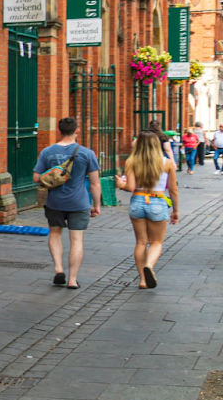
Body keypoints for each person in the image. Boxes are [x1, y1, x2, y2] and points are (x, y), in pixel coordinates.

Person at [32, 117, 102, 289]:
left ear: (59, 131)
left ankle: (58, 269)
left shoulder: (47, 152)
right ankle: (72, 279)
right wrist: (97, 205)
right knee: (76, 240)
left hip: (54, 202)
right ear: (77, 130)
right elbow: (95, 183)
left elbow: (36, 178)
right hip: (78, 202)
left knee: (55, 235)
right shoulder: (87, 153)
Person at [116, 130, 180, 289]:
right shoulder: (167, 163)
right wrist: (176, 210)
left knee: (141, 242)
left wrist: (120, 185)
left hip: (138, 201)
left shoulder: (132, 161)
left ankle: (143, 280)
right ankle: (149, 266)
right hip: (158, 202)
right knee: (156, 242)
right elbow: (173, 190)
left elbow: (130, 187)